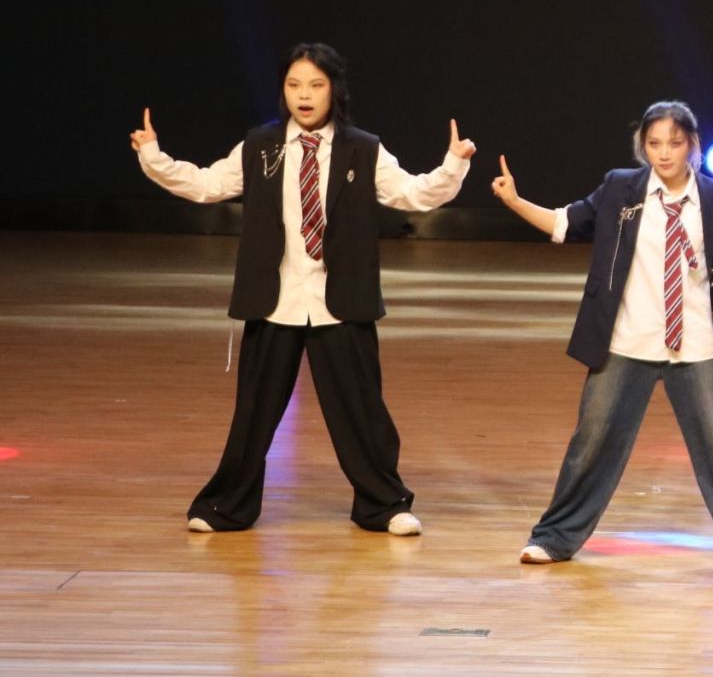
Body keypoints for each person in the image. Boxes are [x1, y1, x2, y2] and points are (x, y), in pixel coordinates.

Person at [132, 42, 473, 535]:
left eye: (315, 84)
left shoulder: (363, 148)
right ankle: (225, 506)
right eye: (294, 85)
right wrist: (153, 156)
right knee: (254, 412)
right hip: (276, 299)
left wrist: (453, 164)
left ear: (334, 90)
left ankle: (384, 504)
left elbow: (411, 194)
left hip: (341, 300)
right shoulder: (261, 145)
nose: (304, 95)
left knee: (362, 411)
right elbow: (207, 185)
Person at [493, 100, 713, 567]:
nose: (664, 153)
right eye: (654, 143)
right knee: (591, 443)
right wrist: (515, 201)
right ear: (643, 145)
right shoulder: (621, 188)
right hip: (627, 340)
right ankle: (554, 538)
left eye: (674, 143)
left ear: (692, 145)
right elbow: (566, 223)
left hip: (696, 342)